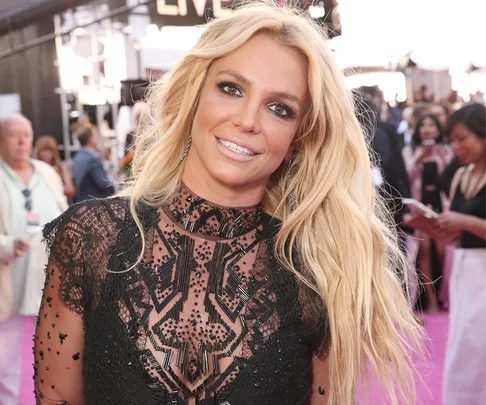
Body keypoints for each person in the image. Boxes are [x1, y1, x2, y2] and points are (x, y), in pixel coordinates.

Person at [33, 3, 423, 405]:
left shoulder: (314, 272)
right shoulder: (93, 238)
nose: (247, 119)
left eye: (279, 109)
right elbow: (56, 397)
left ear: (297, 140)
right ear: (194, 93)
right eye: (231, 88)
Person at [0, 114, 68, 405]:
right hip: (9, 276)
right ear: (1, 140)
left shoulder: (46, 173)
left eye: (26, 135)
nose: (21, 141)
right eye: (13, 135)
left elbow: (66, 213)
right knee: (8, 358)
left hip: (48, 276)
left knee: (53, 350)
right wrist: (4, 245)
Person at [436, 103, 486, 405]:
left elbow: (465, 224)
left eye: (463, 138)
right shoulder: (461, 175)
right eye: (452, 140)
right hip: (464, 269)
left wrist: (465, 222)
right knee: (464, 347)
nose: (456, 147)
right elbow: (455, 234)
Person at [402, 114, 453, 312]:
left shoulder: (446, 150)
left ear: (438, 130)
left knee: (443, 249)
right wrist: (419, 158)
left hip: (441, 205)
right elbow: (406, 177)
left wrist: (440, 157)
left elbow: (450, 178)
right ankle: (430, 297)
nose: (427, 129)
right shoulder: (410, 150)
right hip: (419, 204)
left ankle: (444, 294)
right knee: (423, 248)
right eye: (423, 125)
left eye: (431, 125)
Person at [71, 125, 115, 202]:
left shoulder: (78, 157)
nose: (98, 138)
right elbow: (103, 184)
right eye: (95, 135)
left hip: (81, 202)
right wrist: (112, 177)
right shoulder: (91, 160)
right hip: (93, 203)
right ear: (91, 139)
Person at [34, 135, 76, 200]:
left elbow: (71, 190)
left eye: (50, 150)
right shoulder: (34, 167)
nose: (47, 154)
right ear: (38, 151)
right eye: (44, 150)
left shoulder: (60, 167)